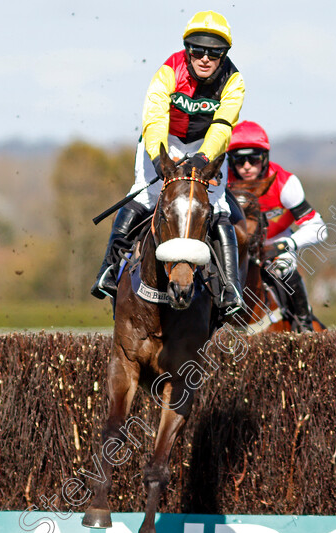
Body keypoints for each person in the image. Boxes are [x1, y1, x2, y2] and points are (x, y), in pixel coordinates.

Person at [90, 10, 245, 313]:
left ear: (223, 54)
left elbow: (224, 124)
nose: (204, 58)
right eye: (198, 50)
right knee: (145, 197)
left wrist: (204, 156)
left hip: (205, 146)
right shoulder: (167, 71)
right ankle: (108, 270)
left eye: (214, 53)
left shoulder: (234, 80)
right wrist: (159, 158)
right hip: (165, 142)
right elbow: (154, 118)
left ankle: (230, 288)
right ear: (188, 49)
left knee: (218, 208)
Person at [226, 120, 328, 331]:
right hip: (234, 248)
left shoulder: (285, 183)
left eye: (253, 159)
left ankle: (304, 325)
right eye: (239, 160)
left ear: (264, 158)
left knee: (286, 269)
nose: (246, 166)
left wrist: (284, 245)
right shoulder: (220, 181)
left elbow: (319, 228)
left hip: (275, 245)